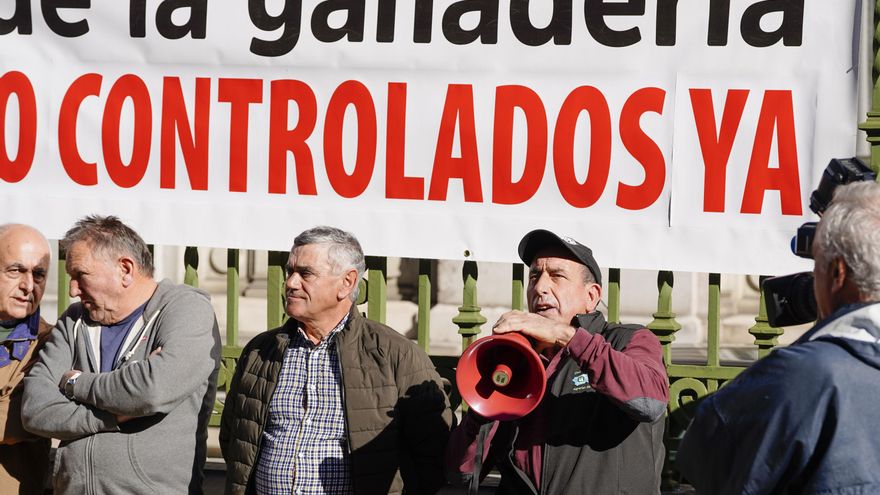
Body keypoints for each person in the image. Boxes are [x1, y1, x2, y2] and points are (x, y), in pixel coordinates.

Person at [678, 181, 880, 494]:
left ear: (838, 273)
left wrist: (817, 340)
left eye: (817, 266)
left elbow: (703, 456)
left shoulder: (808, 374)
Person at [220, 226, 452, 495]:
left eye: (306, 273)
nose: (291, 283)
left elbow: (432, 453)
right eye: (290, 272)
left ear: (347, 283)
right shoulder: (261, 351)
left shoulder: (395, 354)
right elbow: (235, 437)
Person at [446, 229, 669, 494]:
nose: (540, 287)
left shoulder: (628, 340)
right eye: (534, 276)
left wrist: (566, 336)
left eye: (557, 276)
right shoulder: (518, 360)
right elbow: (461, 477)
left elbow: (651, 402)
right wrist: (481, 414)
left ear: (591, 296)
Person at [21, 215, 221, 494]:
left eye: (80, 275)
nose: (73, 289)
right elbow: (35, 409)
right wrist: (113, 416)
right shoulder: (75, 320)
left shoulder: (186, 309)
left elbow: (152, 390)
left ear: (125, 269)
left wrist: (76, 384)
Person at [0, 224, 52, 493]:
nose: (28, 286)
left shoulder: (51, 345)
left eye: (39, 274)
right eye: (16, 270)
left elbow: (23, 419)